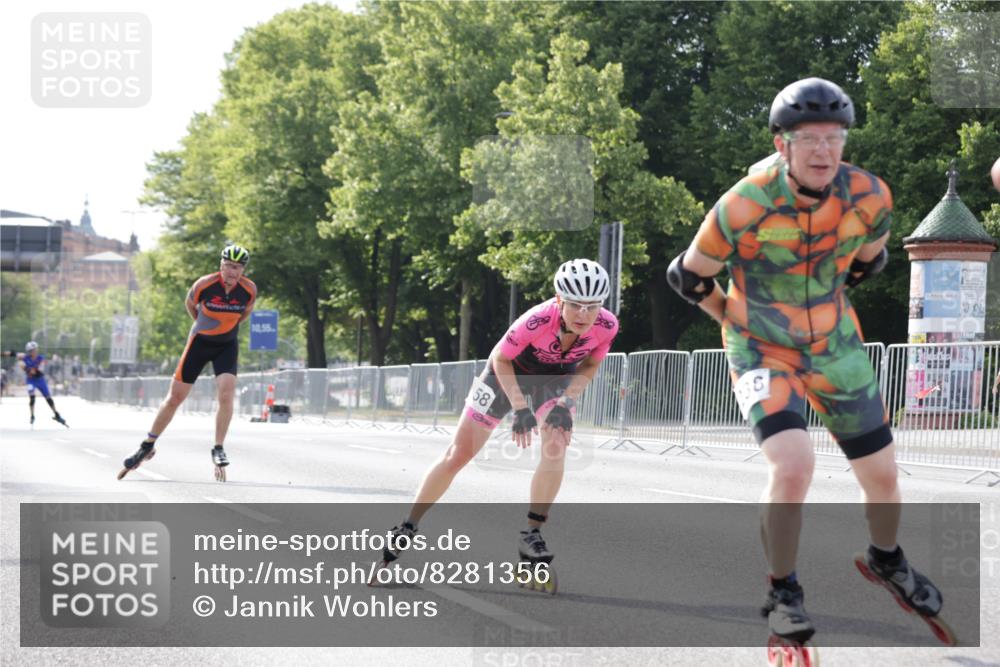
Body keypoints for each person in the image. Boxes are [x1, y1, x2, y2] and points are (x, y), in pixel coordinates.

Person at [667, 78, 951, 647]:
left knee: (883, 476)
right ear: (782, 144)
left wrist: (825, 305)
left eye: (835, 136)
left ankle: (885, 559)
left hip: (836, 348)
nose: (824, 150)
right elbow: (687, 275)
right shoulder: (744, 202)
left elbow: (870, 262)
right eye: (809, 138)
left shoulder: (871, 196)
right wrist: (734, 320)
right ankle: (783, 590)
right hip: (761, 351)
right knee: (793, 466)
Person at [381, 259, 619, 572]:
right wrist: (520, 408)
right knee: (459, 454)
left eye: (592, 306)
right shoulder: (536, 320)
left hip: (555, 379)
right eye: (575, 305)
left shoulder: (607, 325)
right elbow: (500, 359)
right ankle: (408, 525)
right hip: (506, 375)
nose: (584, 315)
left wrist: (566, 402)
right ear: (560, 300)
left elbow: (589, 365)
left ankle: (532, 533)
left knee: (557, 444)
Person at [118, 244, 256, 480]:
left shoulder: (249, 289)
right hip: (199, 344)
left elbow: (244, 314)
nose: (234, 272)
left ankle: (218, 447)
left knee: (226, 393)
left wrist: (225, 329)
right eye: (229, 266)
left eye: (238, 268)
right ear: (221, 265)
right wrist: (203, 326)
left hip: (227, 345)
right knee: (175, 398)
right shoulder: (204, 285)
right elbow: (190, 306)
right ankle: (147, 444)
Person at [21, 341, 67, 426]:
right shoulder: (25, 358)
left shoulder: (40, 358)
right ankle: (32, 415)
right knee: (32, 397)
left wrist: (32, 370)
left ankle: (56, 414)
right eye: (33, 350)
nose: (35, 352)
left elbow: (40, 370)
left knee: (48, 398)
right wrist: (27, 369)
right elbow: (21, 364)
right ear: (29, 352)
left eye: (36, 350)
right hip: (31, 380)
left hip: (40, 380)